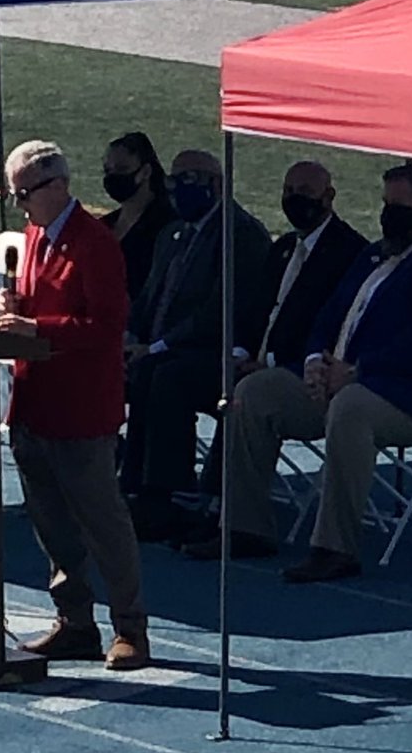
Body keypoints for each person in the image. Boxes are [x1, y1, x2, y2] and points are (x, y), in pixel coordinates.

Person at [187, 163, 412, 582]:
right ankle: (244, 526)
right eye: (385, 204)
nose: (387, 214)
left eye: (398, 206)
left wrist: (359, 371)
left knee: (350, 409)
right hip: (341, 381)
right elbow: (329, 316)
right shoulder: (375, 253)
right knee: (254, 391)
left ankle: (334, 547)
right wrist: (314, 362)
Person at [0, 138, 150, 670]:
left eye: (25, 193)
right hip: (34, 402)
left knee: (103, 523)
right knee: (52, 524)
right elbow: (39, 303)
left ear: (57, 186)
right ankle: (75, 620)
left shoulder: (95, 242)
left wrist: (36, 326)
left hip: (81, 410)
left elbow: (106, 326)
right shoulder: (35, 235)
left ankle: (131, 627)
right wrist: (13, 306)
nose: (20, 205)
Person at [184, 161, 367, 523]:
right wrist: (239, 352)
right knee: (171, 375)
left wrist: (268, 362)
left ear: (328, 197)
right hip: (254, 363)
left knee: (248, 392)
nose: (294, 200)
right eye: (288, 192)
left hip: (300, 375)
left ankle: (224, 506)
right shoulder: (284, 247)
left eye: (304, 193)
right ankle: (167, 490)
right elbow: (255, 310)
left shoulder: (349, 254)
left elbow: (332, 329)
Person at [119, 149, 271, 539]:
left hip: (217, 354)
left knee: (165, 375)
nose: (176, 190)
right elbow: (148, 298)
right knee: (137, 368)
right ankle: (133, 481)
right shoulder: (173, 234)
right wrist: (129, 337)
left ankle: (169, 491)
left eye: (187, 181)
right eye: (172, 181)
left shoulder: (241, 235)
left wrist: (155, 347)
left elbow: (217, 313)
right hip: (163, 348)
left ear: (216, 184)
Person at [99, 132, 174, 300]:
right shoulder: (104, 225)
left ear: (146, 171)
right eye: (108, 170)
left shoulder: (166, 226)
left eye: (122, 169)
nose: (113, 177)